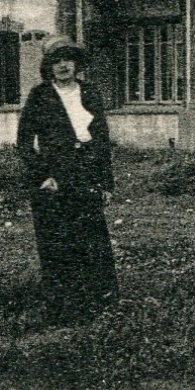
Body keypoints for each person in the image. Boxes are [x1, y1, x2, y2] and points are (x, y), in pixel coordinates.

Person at [15, 37, 118, 323]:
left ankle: (101, 304)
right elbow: (24, 142)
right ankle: (63, 308)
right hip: (55, 177)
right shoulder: (40, 95)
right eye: (56, 61)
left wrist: (106, 183)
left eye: (68, 60)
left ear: (77, 64)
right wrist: (42, 176)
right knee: (59, 243)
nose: (63, 66)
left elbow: (102, 140)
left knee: (92, 240)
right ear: (48, 66)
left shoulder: (91, 93)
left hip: (86, 173)